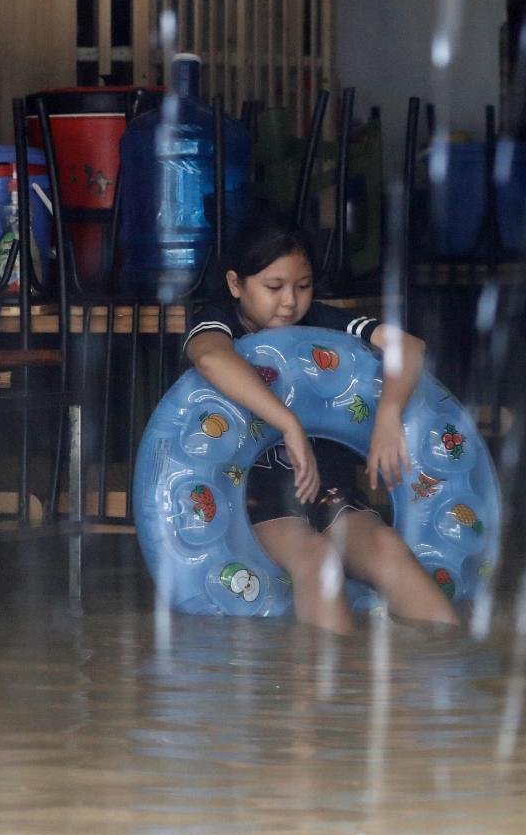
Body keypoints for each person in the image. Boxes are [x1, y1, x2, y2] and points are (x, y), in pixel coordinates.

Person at [183, 218, 460, 634]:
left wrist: (387, 415)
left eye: (303, 285)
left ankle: (453, 668)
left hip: (331, 497)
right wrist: (288, 423)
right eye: (274, 287)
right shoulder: (219, 321)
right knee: (318, 558)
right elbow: (209, 357)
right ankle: (332, 688)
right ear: (236, 284)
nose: (291, 302)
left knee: (387, 545)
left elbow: (411, 347)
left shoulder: (324, 324)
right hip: (255, 504)